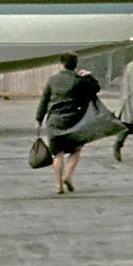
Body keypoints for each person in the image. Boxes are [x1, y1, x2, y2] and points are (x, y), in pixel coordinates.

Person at [35, 51, 101, 194]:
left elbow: (44, 100)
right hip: (73, 120)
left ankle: (58, 185)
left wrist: (39, 118)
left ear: (62, 63)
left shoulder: (52, 80)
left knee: (57, 154)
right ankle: (68, 176)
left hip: (54, 120)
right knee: (76, 148)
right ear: (76, 64)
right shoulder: (79, 80)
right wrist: (88, 76)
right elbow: (96, 88)